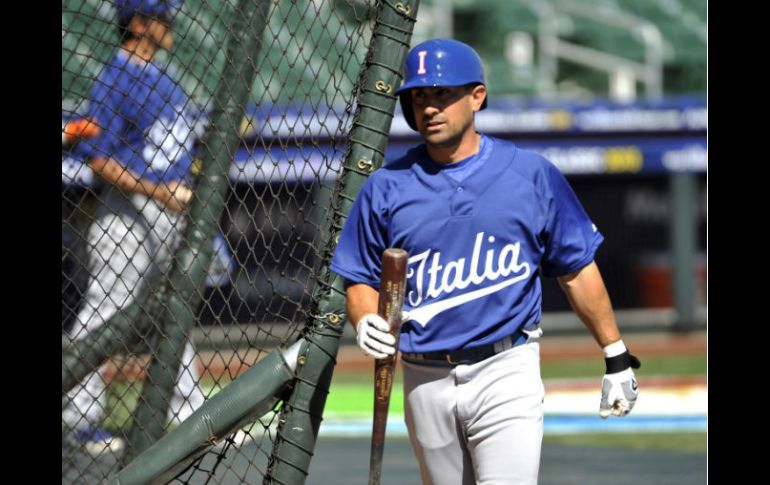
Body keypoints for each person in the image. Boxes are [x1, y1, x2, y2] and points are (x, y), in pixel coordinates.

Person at [330, 38, 641, 485]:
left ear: (476, 97)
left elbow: (575, 270)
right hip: (423, 373)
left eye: (442, 94)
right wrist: (363, 319)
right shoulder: (385, 187)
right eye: (419, 97)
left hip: (505, 368)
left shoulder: (530, 174)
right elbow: (360, 278)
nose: (430, 108)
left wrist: (614, 354)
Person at [62, 0, 206, 450]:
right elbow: (100, 159)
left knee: (175, 307)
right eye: (163, 17)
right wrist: (160, 192)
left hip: (170, 213)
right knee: (105, 310)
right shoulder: (114, 78)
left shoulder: (164, 80)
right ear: (140, 24)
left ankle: (187, 411)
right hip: (128, 215)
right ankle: (78, 418)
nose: (172, 25)